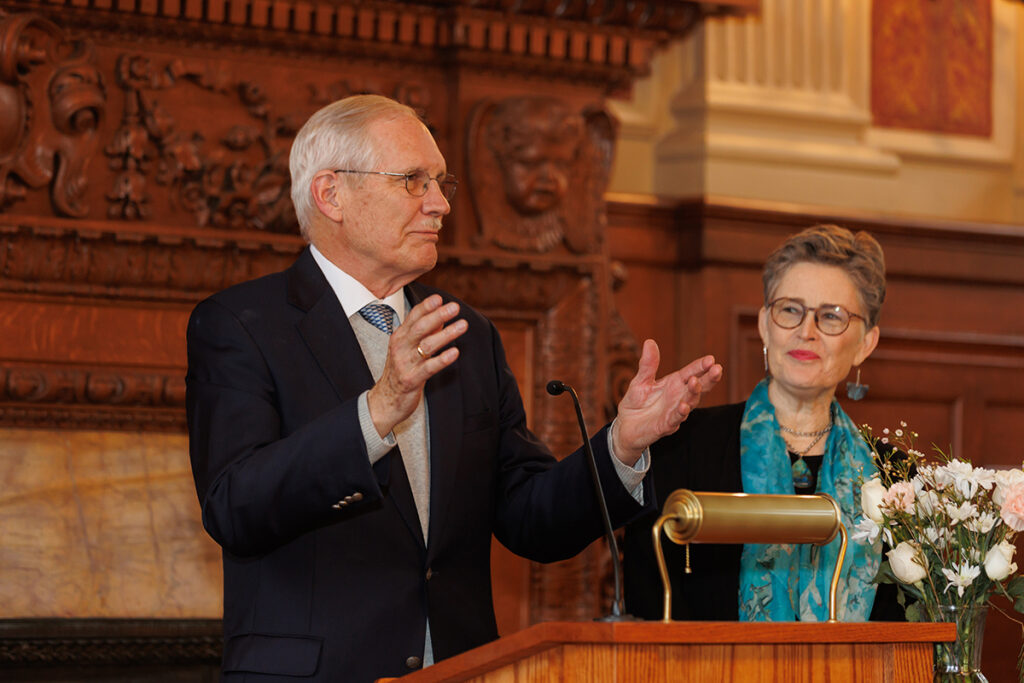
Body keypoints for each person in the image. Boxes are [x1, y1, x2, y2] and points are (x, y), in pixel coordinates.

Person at [185, 94, 723, 682]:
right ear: (331, 194)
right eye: (413, 180)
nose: (440, 204)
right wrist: (377, 411)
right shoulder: (241, 326)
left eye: (441, 183)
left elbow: (529, 518)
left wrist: (621, 446)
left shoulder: (467, 335)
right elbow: (235, 507)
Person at [623, 224, 902, 623]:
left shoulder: (898, 479)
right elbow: (647, 598)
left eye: (831, 316)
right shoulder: (680, 448)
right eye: (790, 310)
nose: (806, 332)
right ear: (763, 325)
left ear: (866, 343)